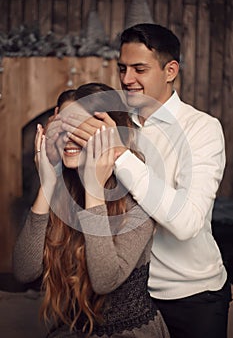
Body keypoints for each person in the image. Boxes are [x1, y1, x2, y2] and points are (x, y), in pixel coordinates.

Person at [56, 25, 232, 338]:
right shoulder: (116, 121)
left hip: (191, 294)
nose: (126, 79)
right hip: (131, 297)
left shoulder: (201, 129)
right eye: (122, 68)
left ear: (170, 70)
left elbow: (187, 223)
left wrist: (120, 156)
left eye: (140, 69)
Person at [13, 83, 170, 338]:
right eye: (63, 127)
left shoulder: (138, 196)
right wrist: (47, 183)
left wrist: (94, 190)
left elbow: (104, 281)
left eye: (82, 128)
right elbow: (23, 271)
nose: (69, 138)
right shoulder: (62, 191)